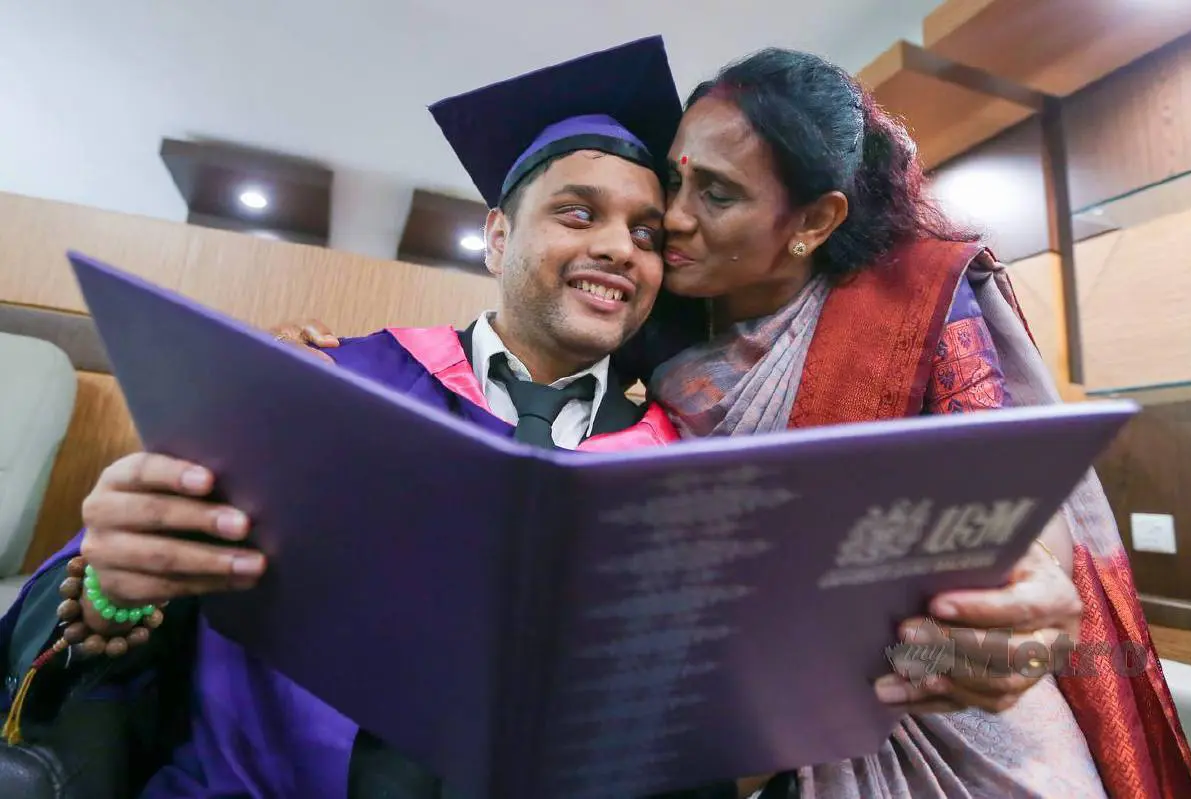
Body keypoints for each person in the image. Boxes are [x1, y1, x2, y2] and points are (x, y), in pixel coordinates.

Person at [279, 46, 1191, 799]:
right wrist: (327, 370)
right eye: (671, 182)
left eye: (712, 195)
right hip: (735, 733)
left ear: (811, 222)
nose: (666, 225)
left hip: (930, 722)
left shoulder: (905, 309)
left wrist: (1024, 619)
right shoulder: (655, 318)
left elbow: (1011, 522)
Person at [0, 38, 695, 799]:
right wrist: (113, 586)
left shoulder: (673, 467)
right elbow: (122, 593)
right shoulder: (324, 380)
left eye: (646, 233)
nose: (617, 248)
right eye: (577, 212)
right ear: (497, 238)